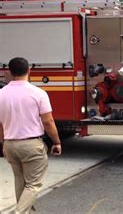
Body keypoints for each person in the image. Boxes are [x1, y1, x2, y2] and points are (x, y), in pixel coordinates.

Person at [0, 57, 62, 213]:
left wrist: (3, 143)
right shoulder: (38, 93)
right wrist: (57, 142)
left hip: (9, 143)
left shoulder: (1, 94)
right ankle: (19, 212)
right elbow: (48, 122)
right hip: (31, 145)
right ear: (29, 71)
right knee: (33, 184)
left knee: (20, 181)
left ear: (9, 72)